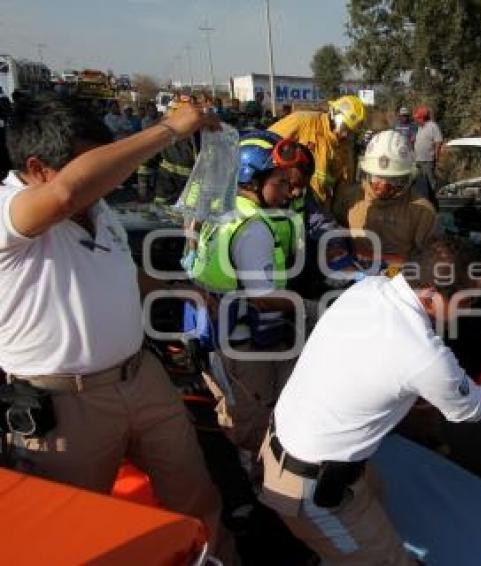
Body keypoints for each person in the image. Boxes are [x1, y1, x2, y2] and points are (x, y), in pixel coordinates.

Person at [0, 93, 223, 545]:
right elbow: (65, 193)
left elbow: (120, 269)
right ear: (38, 167)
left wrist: (173, 292)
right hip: (65, 406)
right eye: (94, 166)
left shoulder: (98, 211)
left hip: (141, 379)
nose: (107, 178)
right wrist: (171, 129)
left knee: (195, 495)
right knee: (74, 533)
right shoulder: (9, 211)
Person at [260, 238, 481, 563]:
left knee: (375, 504)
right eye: (466, 302)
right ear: (429, 295)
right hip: (310, 487)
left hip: (297, 445)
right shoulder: (424, 355)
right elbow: (472, 408)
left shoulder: (369, 288)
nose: (470, 309)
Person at [185, 130, 316, 455]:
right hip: (248, 343)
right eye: (281, 183)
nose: (289, 192)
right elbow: (262, 295)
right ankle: (260, 483)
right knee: (254, 418)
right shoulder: (254, 227)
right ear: (253, 179)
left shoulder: (222, 210)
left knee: (233, 404)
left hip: (220, 334)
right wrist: (314, 309)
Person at [333, 129, 437, 261]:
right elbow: (334, 232)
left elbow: (430, 257)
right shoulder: (352, 198)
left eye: (394, 180)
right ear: (367, 173)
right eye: (377, 177)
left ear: (407, 177)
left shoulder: (423, 212)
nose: (383, 186)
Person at [267, 94, 366, 207]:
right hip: (286, 201)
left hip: (318, 210)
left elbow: (343, 188)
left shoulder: (346, 149)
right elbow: (266, 142)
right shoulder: (304, 122)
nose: (346, 135)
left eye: (352, 132)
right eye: (345, 128)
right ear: (334, 114)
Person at [412, 105, 442, 202]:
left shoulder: (433, 126)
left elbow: (438, 141)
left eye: (418, 118)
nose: (416, 121)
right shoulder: (420, 127)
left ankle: (432, 202)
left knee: (430, 182)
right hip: (418, 160)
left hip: (428, 160)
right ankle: (422, 200)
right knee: (420, 182)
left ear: (423, 118)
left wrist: (436, 156)